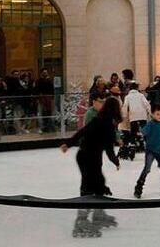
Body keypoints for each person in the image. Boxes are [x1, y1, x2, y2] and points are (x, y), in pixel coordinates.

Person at [60, 97, 122, 238]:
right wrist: (115, 160)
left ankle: (98, 214)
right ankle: (81, 221)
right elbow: (109, 147)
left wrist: (68, 144)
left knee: (99, 183)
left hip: (88, 156)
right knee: (89, 186)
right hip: (88, 157)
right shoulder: (106, 122)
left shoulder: (100, 119)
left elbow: (83, 131)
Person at [134, 104, 160, 198]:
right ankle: (139, 186)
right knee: (147, 168)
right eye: (158, 114)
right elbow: (144, 131)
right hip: (150, 151)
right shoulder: (151, 124)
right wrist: (140, 133)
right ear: (152, 114)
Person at [121, 83, 151, 159]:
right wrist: (150, 112)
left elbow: (125, 106)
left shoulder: (127, 97)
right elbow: (146, 104)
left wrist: (124, 116)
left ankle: (133, 145)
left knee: (133, 132)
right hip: (142, 115)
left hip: (133, 116)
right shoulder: (141, 95)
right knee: (144, 130)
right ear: (137, 88)